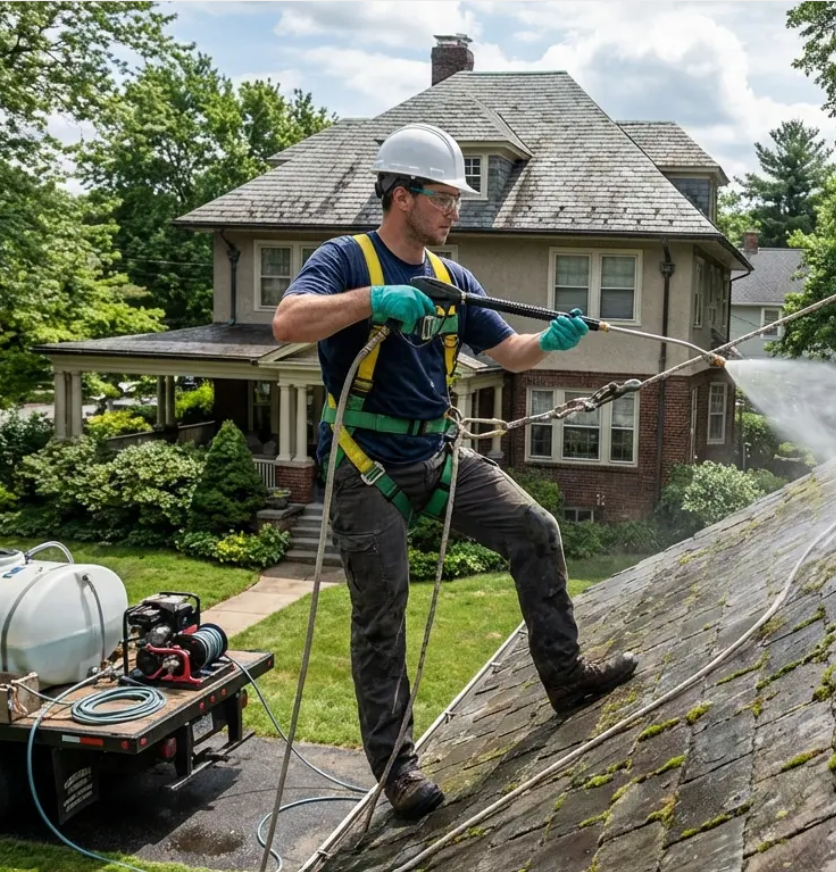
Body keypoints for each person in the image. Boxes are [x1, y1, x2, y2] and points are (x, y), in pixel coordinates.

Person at [271, 122, 639, 820]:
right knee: (382, 613)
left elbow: (509, 353)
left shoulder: (452, 279)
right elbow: (288, 323)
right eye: (444, 197)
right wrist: (372, 302)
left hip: (438, 457)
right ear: (402, 195)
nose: (456, 210)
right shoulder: (347, 260)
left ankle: (566, 678)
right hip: (364, 464)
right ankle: (399, 771)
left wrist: (550, 343)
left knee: (535, 528)